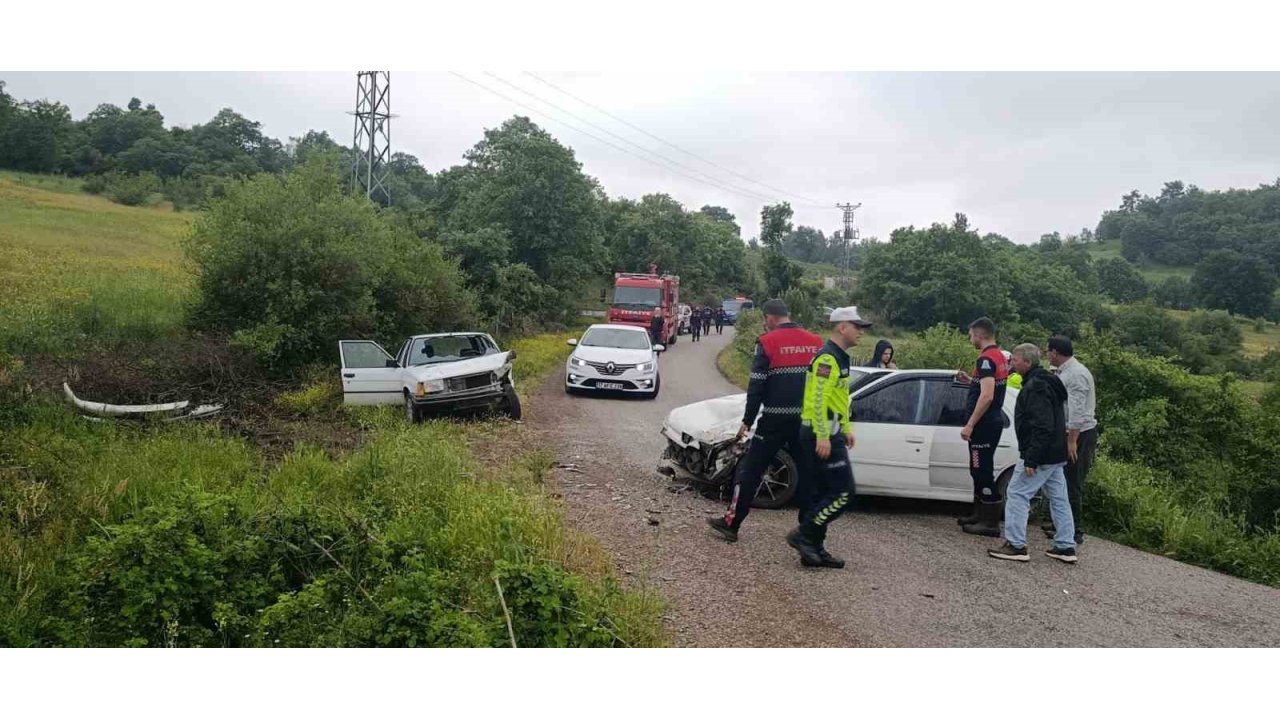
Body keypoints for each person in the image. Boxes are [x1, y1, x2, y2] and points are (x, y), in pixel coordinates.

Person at [707, 299, 822, 543]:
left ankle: (732, 523)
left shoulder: (767, 342)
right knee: (809, 476)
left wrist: (748, 420)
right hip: (806, 421)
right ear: (788, 314)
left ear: (769, 318)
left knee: (750, 471)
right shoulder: (815, 342)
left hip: (774, 420)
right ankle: (809, 535)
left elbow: (756, 386)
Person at [787, 306, 873, 568]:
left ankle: (813, 548)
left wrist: (845, 428)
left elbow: (840, 398)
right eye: (857, 326)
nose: (861, 332)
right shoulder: (827, 358)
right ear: (841, 327)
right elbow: (818, 398)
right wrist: (823, 435)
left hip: (830, 433)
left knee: (823, 493)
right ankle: (803, 535)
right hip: (818, 435)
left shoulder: (841, 357)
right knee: (843, 494)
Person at [988, 343, 1078, 564]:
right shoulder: (1049, 381)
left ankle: (1016, 545)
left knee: (1017, 492)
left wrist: (1032, 458)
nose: (1012, 363)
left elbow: (1042, 425)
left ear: (1027, 362)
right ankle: (1066, 546)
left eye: (1015, 360)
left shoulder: (1035, 386)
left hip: (1041, 454)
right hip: (1055, 453)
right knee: (1059, 498)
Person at [953, 317, 1010, 537]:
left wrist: (970, 424)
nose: (970, 339)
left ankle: (990, 522)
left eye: (970, 335)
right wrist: (971, 381)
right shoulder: (998, 356)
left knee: (981, 469)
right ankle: (979, 513)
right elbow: (987, 387)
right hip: (991, 423)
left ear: (979, 334)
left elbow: (987, 396)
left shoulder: (986, 359)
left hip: (984, 425)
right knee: (977, 468)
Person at [1043, 335, 1096, 546]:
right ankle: (1061, 523)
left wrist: (1072, 440)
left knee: (1072, 482)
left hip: (1080, 434)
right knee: (1061, 480)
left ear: (1055, 352)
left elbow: (1077, 411)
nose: (1047, 354)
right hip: (1070, 433)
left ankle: (1074, 531)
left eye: (1048, 351)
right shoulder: (1065, 371)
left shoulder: (1076, 374)